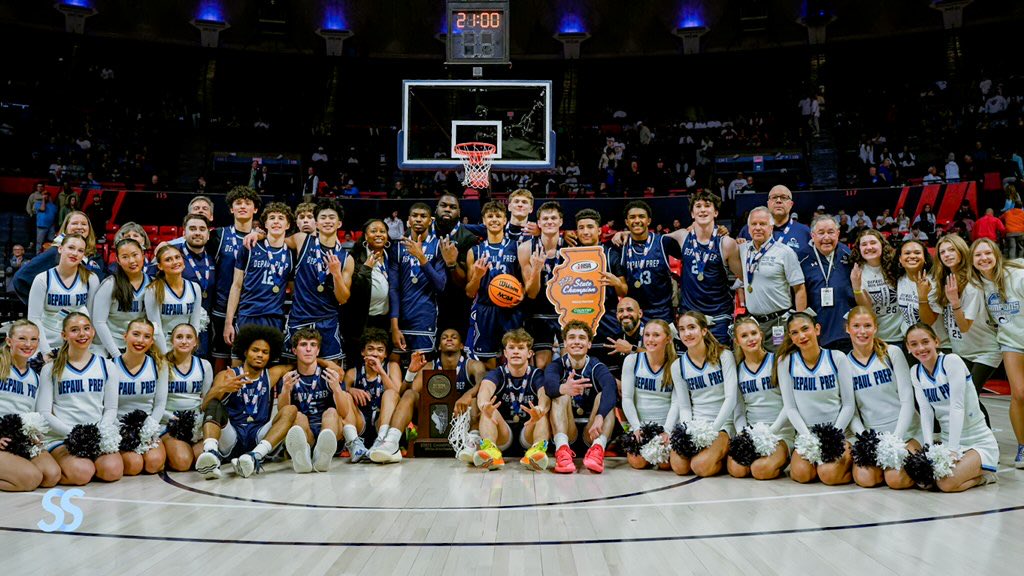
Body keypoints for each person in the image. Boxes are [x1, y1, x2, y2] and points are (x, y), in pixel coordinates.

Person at [195, 325, 299, 479]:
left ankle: (255, 457)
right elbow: (205, 406)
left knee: (290, 410)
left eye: (265, 352)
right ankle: (211, 454)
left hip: (258, 435)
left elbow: (302, 364)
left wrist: (326, 363)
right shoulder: (227, 375)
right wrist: (223, 388)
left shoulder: (271, 374)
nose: (260, 355)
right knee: (214, 404)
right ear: (245, 351)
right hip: (232, 437)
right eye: (255, 350)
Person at [906, 323, 999, 491]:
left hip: (976, 440)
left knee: (946, 484)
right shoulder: (915, 372)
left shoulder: (951, 361)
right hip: (946, 439)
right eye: (914, 344)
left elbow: (957, 407)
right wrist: (928, 451)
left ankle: (985, 476)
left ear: (936, 341)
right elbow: (926, 412)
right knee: (923, 482)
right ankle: (967, 469)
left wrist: (953, 450)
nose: (921, 348)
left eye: (925, 341)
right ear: (908, 347)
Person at [370, 328, 484, 464]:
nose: (449, 339)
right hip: (433, 418)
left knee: (476, 397)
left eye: (454, 337)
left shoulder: (473, 365)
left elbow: (484, 384)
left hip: (461, 420)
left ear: (461, 345)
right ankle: (392, 443)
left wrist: (467, 394)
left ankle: (472, 443)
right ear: (439, 346)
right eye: (444, 337)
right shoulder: (429, 366)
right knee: (410, 394)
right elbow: (403, 395)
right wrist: (411, 373)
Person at [37, 312, 123, 485]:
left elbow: (111, 408)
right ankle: (55, 468)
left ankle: (85, 464)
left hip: (96, 434)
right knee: (82, 473)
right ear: (64, 335)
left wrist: (99, 432)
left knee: (112, 471)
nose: (82, 334)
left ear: (92, 332)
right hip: (63, 436)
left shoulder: (107, 366)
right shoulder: (51, 369)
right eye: (74, 330)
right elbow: (44, 412)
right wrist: (74, 434)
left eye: (86, 328)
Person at [926, 235, 999, 426]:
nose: (947, 254)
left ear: (961, 251)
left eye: (952, 250)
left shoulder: (972, 285)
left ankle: (988, 443)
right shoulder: (944, 280)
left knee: (970, 395)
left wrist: (955, 303)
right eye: (942, 252)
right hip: (962, 350)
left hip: (985, 350)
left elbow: (965, 327)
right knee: (962, 396)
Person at [776, 311, 855, 485]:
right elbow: (790, 407)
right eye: (795, 333)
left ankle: (852, 463)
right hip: (807, 434)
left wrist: (834, 436)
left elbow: (849, 405)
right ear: (790, 337)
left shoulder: (837, 358)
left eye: (805, 329)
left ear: (817, 329)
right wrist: (807, 438)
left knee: (829, 475)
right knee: (802, 475)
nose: (801, 336)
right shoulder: (785, 362)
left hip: (837, 432)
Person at [845, 307, 919, 489]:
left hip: (905, 432)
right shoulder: (844, 363)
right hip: (872, 435)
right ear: (847, 329)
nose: (862, 332)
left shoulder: (891, 353)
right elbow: (851, 411)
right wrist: (866, 440)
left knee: (896, 479)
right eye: (856, 326)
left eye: (867, 326)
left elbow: (907, 400)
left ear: (876, 328)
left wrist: (896, 439)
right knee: (866, 479)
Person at [970, 238, 1024, 466]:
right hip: (1011, 342)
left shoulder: (1017, 277)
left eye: (987, 253)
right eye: (978, 255)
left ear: (996, 255)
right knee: (1019, 394)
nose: (984, 258)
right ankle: (1022, 447)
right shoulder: (978, 285)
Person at [279, 199, 353, 364]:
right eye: (323, 217)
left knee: (332, 372)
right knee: (291, 370)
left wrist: (336, 274)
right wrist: (258, 233)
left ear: (339, 223)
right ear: (317, 223)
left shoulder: (347, 259)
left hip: (327, 321)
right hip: (299, 318)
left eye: (332, 217)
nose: (327, 221)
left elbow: (343, 298)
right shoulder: (301, 240)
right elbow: (275, 242)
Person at [663, 192, 741, 345]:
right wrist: (627, 234)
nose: (703, 210)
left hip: (719, 316)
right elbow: (652, 242)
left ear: (716, 212)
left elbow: (743, 276)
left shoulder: (726, 243)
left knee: (719, 363)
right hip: (690, 316)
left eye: (707, 206)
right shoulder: (682, 236)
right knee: (692, 365)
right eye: (698, 206)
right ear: (692, 213)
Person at [543, 321, 618, 474]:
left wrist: (600, 416)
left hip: (592, 432)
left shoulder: (596, 366)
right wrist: (564, 388)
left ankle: (598, 449)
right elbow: (549, 386)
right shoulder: (556, 366)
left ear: (589, 344)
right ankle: (562, 450)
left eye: (582, 338)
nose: (577, 341)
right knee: (559, 395)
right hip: (567, 431)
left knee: (605, 397)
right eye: (572, 337)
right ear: (565, 343)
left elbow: (611, 388)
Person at [669, 311, 736, 477]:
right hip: (697, 424)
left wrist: (712, 431)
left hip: (722, 424)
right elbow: (684, 406)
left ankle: (725, 455)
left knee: (700, 466)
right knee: (679, 466)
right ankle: (713, 455)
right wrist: (687, 432)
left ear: (704, 331)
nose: (687, 333)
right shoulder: (678, 366)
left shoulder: (724, 356)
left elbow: (731, 399)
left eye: (692, 327)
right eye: (682, 329)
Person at [472, 329, 548, 470]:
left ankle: (537, 452)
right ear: (505, 353)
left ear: (530, 353)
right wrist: (483, 404)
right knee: (488, 410)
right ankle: (490, 451)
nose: (516, 352)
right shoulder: (498, 373)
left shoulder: (537, 374)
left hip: (528, 430)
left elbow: (544, 393)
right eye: (511, 348)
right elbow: (485, 388)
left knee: (541, 413)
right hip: (503, 433)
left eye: (521, 348)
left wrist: (541, 407)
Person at [727, 316, 792, 480]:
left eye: (753, 333)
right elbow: (739, 411)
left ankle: (785, 457)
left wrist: (770, 432)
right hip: (753, 433)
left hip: (780, 432)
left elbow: (789, 405)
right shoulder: (737, 370)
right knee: (737, 470)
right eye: (744, 336)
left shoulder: (778, 362)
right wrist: (744, 435)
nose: (750, 339)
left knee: (760, 470)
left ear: (761, 335)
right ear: (737, 341)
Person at [0, 320, 61, 491]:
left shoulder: (34, 376)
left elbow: (32, 413)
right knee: (30, 479)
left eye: (34, 339)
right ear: (9, 341)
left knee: (51, 475)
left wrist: (33, 434)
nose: (28, 344)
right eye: (22, 338)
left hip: (18, 438)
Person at [280, 329, 350, 474]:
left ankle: (322, 453)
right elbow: (284, 414)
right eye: (303, 345)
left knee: (331, 412)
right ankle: (303, 453)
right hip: (305, 432)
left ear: (317, 351)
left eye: (313, 345)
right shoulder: (289, 377)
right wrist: (286, 390)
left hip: (329, 429)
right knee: (298, 416)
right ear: (294, 350)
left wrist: (336, 388)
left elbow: (344, 412)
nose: (308, 349)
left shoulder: (329, 375)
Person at [390, 203, 455, 358]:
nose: (418, 219)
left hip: (425, 316)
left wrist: (421, 257)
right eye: (415, 216)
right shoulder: (397, 247)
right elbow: (393, 289)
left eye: (423, 216)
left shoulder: (438, 246)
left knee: (421, 364)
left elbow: (441, 286)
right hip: (401, 318)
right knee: (394, 361)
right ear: (408, 220)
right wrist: (394, 326)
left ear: (430, 221)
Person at [225, 203, 295, 347]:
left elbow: (293, 290)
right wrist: (228, 322)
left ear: (287, 225)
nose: (276, 221)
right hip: (248, 315)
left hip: (274, 318)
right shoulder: (249, 247)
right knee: (240, 364)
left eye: (281, 218)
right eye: (272, 218)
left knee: (271, 367)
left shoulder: (291, 254)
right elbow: (236, 286)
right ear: (266, 224)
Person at [465, 201, 525, 369]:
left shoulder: (517, 248)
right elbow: (469, 292)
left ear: (505, 220)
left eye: (498, 216)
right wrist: (477, 276)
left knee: (514, 358)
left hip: (510, 309)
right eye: (490, 216)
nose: (494, 220)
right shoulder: (474, 251)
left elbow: (525, 283)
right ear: (483, 221)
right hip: (485, 309)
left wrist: (522, 295)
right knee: (487, 362)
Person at [739, 207, 807, 352]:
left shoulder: (785, 252)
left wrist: (800, 322)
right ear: (748, 227)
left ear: (771, 227)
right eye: (754, 224)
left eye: (762, 224)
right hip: (753, 324)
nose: (758, 228)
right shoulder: (742, 249)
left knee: (780, 367)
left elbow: (799, 288)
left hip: (779, 322)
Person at [209, 186, 260, 373]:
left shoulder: (264, 239)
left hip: (252, 309)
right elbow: (193, 243)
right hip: (223, 308)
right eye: (238, 203)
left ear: (255, 209)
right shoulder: (219, 236)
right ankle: (219, 400)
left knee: (251, 360)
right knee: (221, 361)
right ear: (231, 209)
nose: (242, 206)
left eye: (248, 203)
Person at [572, 209, 626, 374]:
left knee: (611, 374)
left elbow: (624, 289)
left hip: (608, 323)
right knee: (583, 376)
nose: (585, 231)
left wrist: (616, 282)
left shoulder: (611, 254)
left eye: (590, 227)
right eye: (581, 228)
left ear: (599, 230)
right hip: (579, 322)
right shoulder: (568, 255)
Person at [620, 320, 679, 470]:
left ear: (668, 339)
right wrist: (636, 427)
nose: (650, 339)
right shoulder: (632, 360)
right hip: (642, 426)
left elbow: (676, 402)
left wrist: (667, 430)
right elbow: (627, 398)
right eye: (647, 335)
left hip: (666, 427)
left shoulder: (676, 364)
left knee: (666, 464)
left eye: (656, 335)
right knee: (637, 463)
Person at [113, 318, 169, 476]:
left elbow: (159, 404)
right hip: (119, 428)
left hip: (148, 426)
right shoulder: (110, 366)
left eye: (146, 336)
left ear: (152, 341)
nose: (140, 341)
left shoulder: (159, 365)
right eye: (136, 334)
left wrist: (148, 428)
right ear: (125, 336)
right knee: (133, 465)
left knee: (154, 463)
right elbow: (107, 407)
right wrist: (122, 430)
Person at [27, 234, 98, 355]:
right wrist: (46, 352)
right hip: (47, 341)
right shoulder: (43, 279)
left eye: (80, 250)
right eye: (71, 247)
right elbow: (34, 319)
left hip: (78, 341)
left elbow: (92, 317)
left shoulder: (91, 278)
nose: (75, 253)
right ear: (60, 249)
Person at [13, 210, 104, 305]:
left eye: (84, 224)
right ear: (66, 228)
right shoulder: (56, 252)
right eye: (74, 223)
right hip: (60, 317)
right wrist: (43, 305)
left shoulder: (95, 256)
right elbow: (21, 279)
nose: (79, 227)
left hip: (88, 316)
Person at [519, 202, 568, 369]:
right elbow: (531, 293)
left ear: (561, 221)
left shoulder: (571, 247)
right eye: (545, 219)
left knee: (570, 363)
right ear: (538, 223)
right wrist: (537, 270)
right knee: (541, 365)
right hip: (539, 313)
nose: (549, 222)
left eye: (554, 218)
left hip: (565, 313)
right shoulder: (526, 248)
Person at [342, 328, 402, 461]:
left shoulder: (392, 367)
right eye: (371, 349)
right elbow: (340, 395)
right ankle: (354, 444)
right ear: (363, 352)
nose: (375, 353)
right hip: (361, 423)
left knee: (390, 394)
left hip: (381, 422)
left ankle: (381, 441)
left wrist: (381, 371)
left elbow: (397, 394)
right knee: (344, 395)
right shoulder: (353, 372)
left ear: (386, 354)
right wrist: (350, 390)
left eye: (380, 350)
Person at [161, 323, 213, 472]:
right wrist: (172, 419)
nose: (184, 341)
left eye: (189, 337)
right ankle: (165, 450)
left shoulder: (205, 365)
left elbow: (206, 399)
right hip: (169, 423)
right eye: (179, 337)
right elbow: (156, 402)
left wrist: (199, 424)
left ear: (196, 342)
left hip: (195, 424)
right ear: (172, 341)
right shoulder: (163, 364)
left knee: (203, 459)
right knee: (182, 462)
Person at [618, 201, 681, 323]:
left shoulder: (663, 242)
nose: (636, 220)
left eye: (641, 216)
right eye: (632, 217)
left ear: (649, 221)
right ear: (627, 222)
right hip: (634, 315)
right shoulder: (621, 245)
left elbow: (689, 237)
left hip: (662, 314)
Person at [802, 215, 856, 352]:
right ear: (812, 235)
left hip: (846, 331)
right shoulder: (801, 258)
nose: (826, 237)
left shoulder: (849, 255)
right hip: (816, 332)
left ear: (838, 234)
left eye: (831, 232)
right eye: (821, 233)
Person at [343, 219, 392, 361]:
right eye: (373, 231)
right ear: (365, 236)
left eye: (382, 231)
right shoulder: (355, 258)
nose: (379, 234)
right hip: (361, 323)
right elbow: (352, 293)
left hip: (384, 321)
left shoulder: (392, 257)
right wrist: (366, 268)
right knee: (360, 361)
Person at [93, 239, 149, 358]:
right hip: (111, 346)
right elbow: (99, 322)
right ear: (118, 260)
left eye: (135, 255)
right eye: (125, 257)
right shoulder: (109, 285)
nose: (132, 261)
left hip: (141, 345)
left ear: (143, 255)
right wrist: (116, 354)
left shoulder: (152, 284)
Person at [145, 244, 203, 356]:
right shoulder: (153, 290)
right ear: (160, 266)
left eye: (177, 257)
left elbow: (195, 324)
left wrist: (188, 351)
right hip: (162, 349)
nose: (175, 262)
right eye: (168, 259)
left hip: (185, 347)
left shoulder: (195, 287)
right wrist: (166, 355)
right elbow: (156, 328)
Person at [851, 230, 902, 346]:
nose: (869, 247)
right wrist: (856, 287)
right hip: (878, 337)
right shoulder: (858, 271)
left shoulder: (897, 266)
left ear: (882, 245)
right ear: (859, 249)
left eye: (873, 242)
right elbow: (867, 308)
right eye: (864, 244)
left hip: (903, 335)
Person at [895, 239, 948, 348]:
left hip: (937, 345)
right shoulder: (899, 280)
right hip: (911, 344)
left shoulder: (934, 282)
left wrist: (922, 297)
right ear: (900, 259)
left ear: (925, 258)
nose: (912, 256)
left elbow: (928, 322)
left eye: (917, 253)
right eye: (907, 253)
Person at [739, 185, 813, 259]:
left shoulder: (804, 231)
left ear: (791, 204)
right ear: (768, 203)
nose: (778, 201)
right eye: (774, 197)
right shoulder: (749, 229)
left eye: (784, 197)